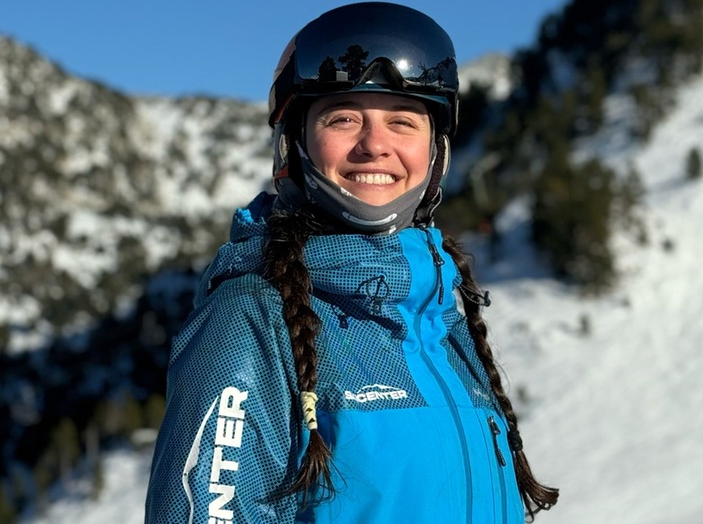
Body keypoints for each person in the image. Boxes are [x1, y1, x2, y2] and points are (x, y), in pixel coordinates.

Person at [145, 2, 558, 522]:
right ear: (294, 144)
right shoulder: (251, 320)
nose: (375, 145)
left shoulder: (439, 318)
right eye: (343, 118)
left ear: (437, 152)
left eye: (403, 121)